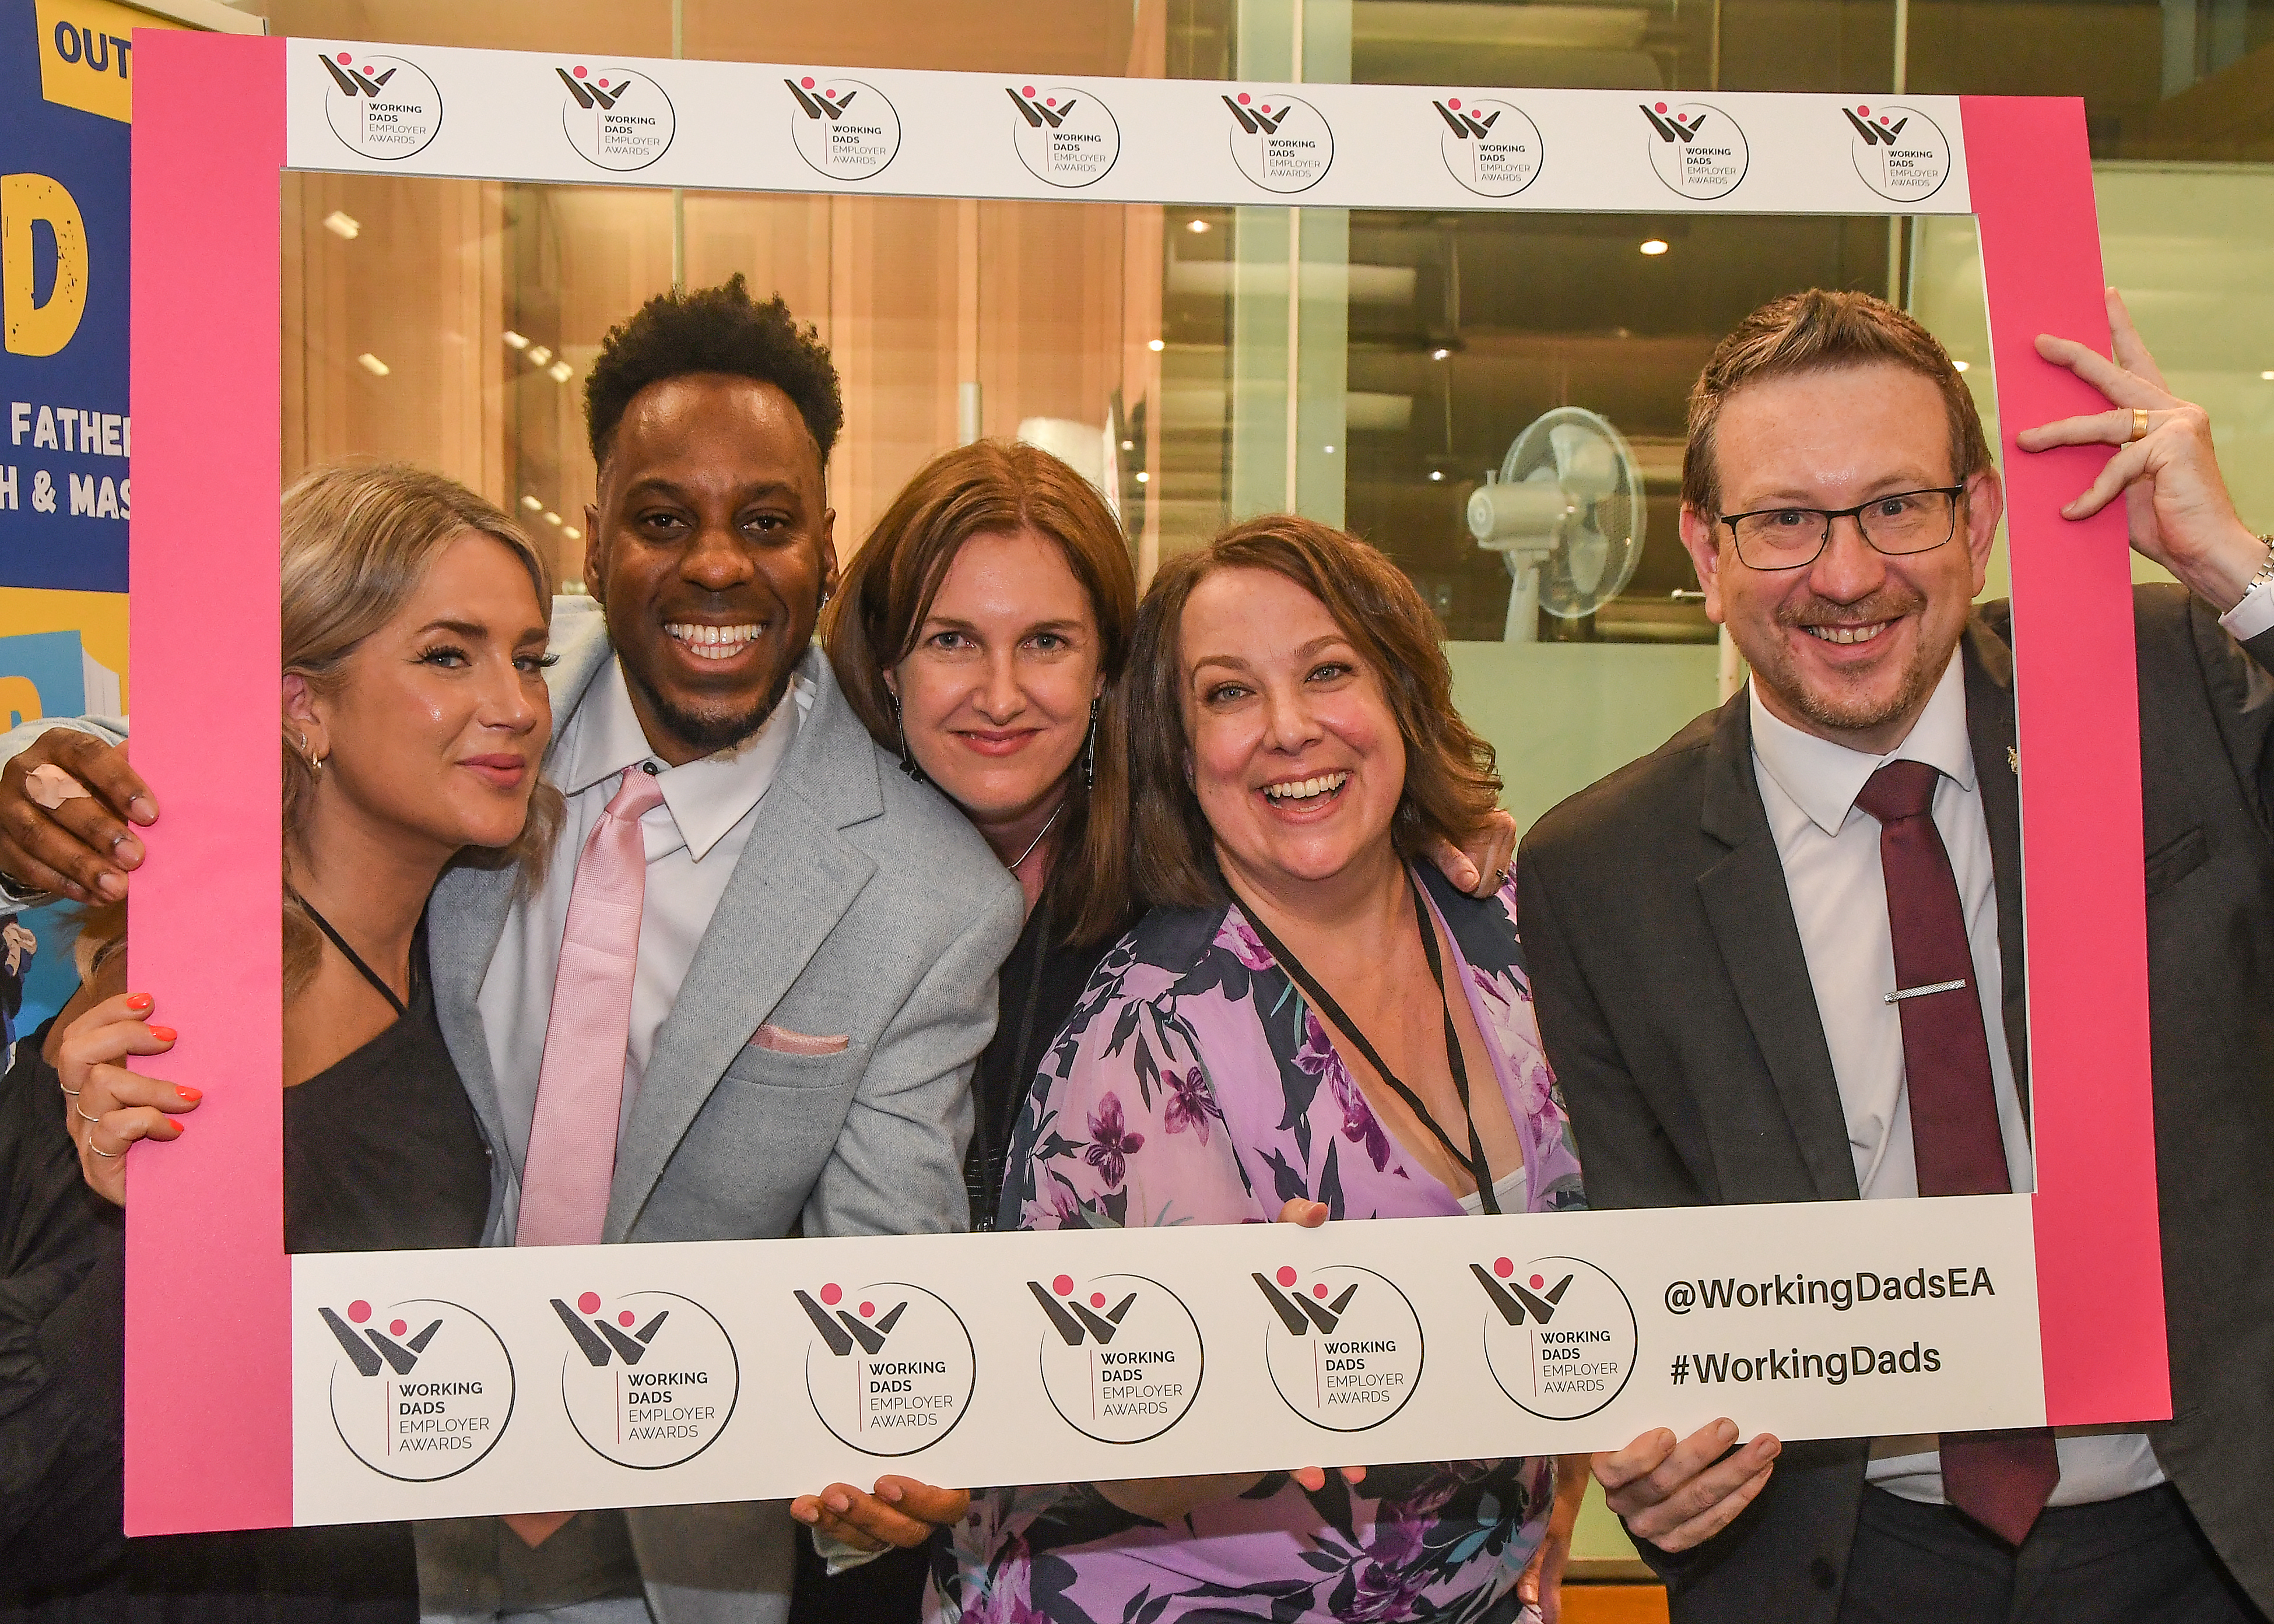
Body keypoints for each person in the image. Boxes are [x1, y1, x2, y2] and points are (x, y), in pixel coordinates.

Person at [0, 277, 1027, 1624]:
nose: (716, 562)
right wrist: (49, 806)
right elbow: (204, 812)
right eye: (662, 518)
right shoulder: (434, 794)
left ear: (826, 546)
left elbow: (878, 1266)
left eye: (766, 522)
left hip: (654, 1557)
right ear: (594, 539)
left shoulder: (926, 893)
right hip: (286, 1528)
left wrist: (886, 1440)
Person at [1517, 288, 2274, 1623]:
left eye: (1895, 506)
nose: (1849, 572)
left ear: (1978, 518)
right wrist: (1649, 1448)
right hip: (1844, 1563)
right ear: (1702, 547)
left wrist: (2236, 572)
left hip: (2213, 1536)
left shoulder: (2163, 686)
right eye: (1783, 521)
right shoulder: (1600, 871)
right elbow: (1649, 1256)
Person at [788, 444, 1527, 1622]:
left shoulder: (1170, 870)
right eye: (950, 640)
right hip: (847, 1478)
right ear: (885, 661)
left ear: (1108, 678)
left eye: (1047, 641)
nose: (1000, 691)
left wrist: (1444, 840)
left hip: (1115, 1486)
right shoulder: (811, 882)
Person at [0, 461, 557, 1619]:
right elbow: (32, 1473)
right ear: (305, 706)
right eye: (448, 655)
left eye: (530, 655)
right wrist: (155, 1237)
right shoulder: (177, 1007)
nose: (515, 701)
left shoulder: (465, 961)